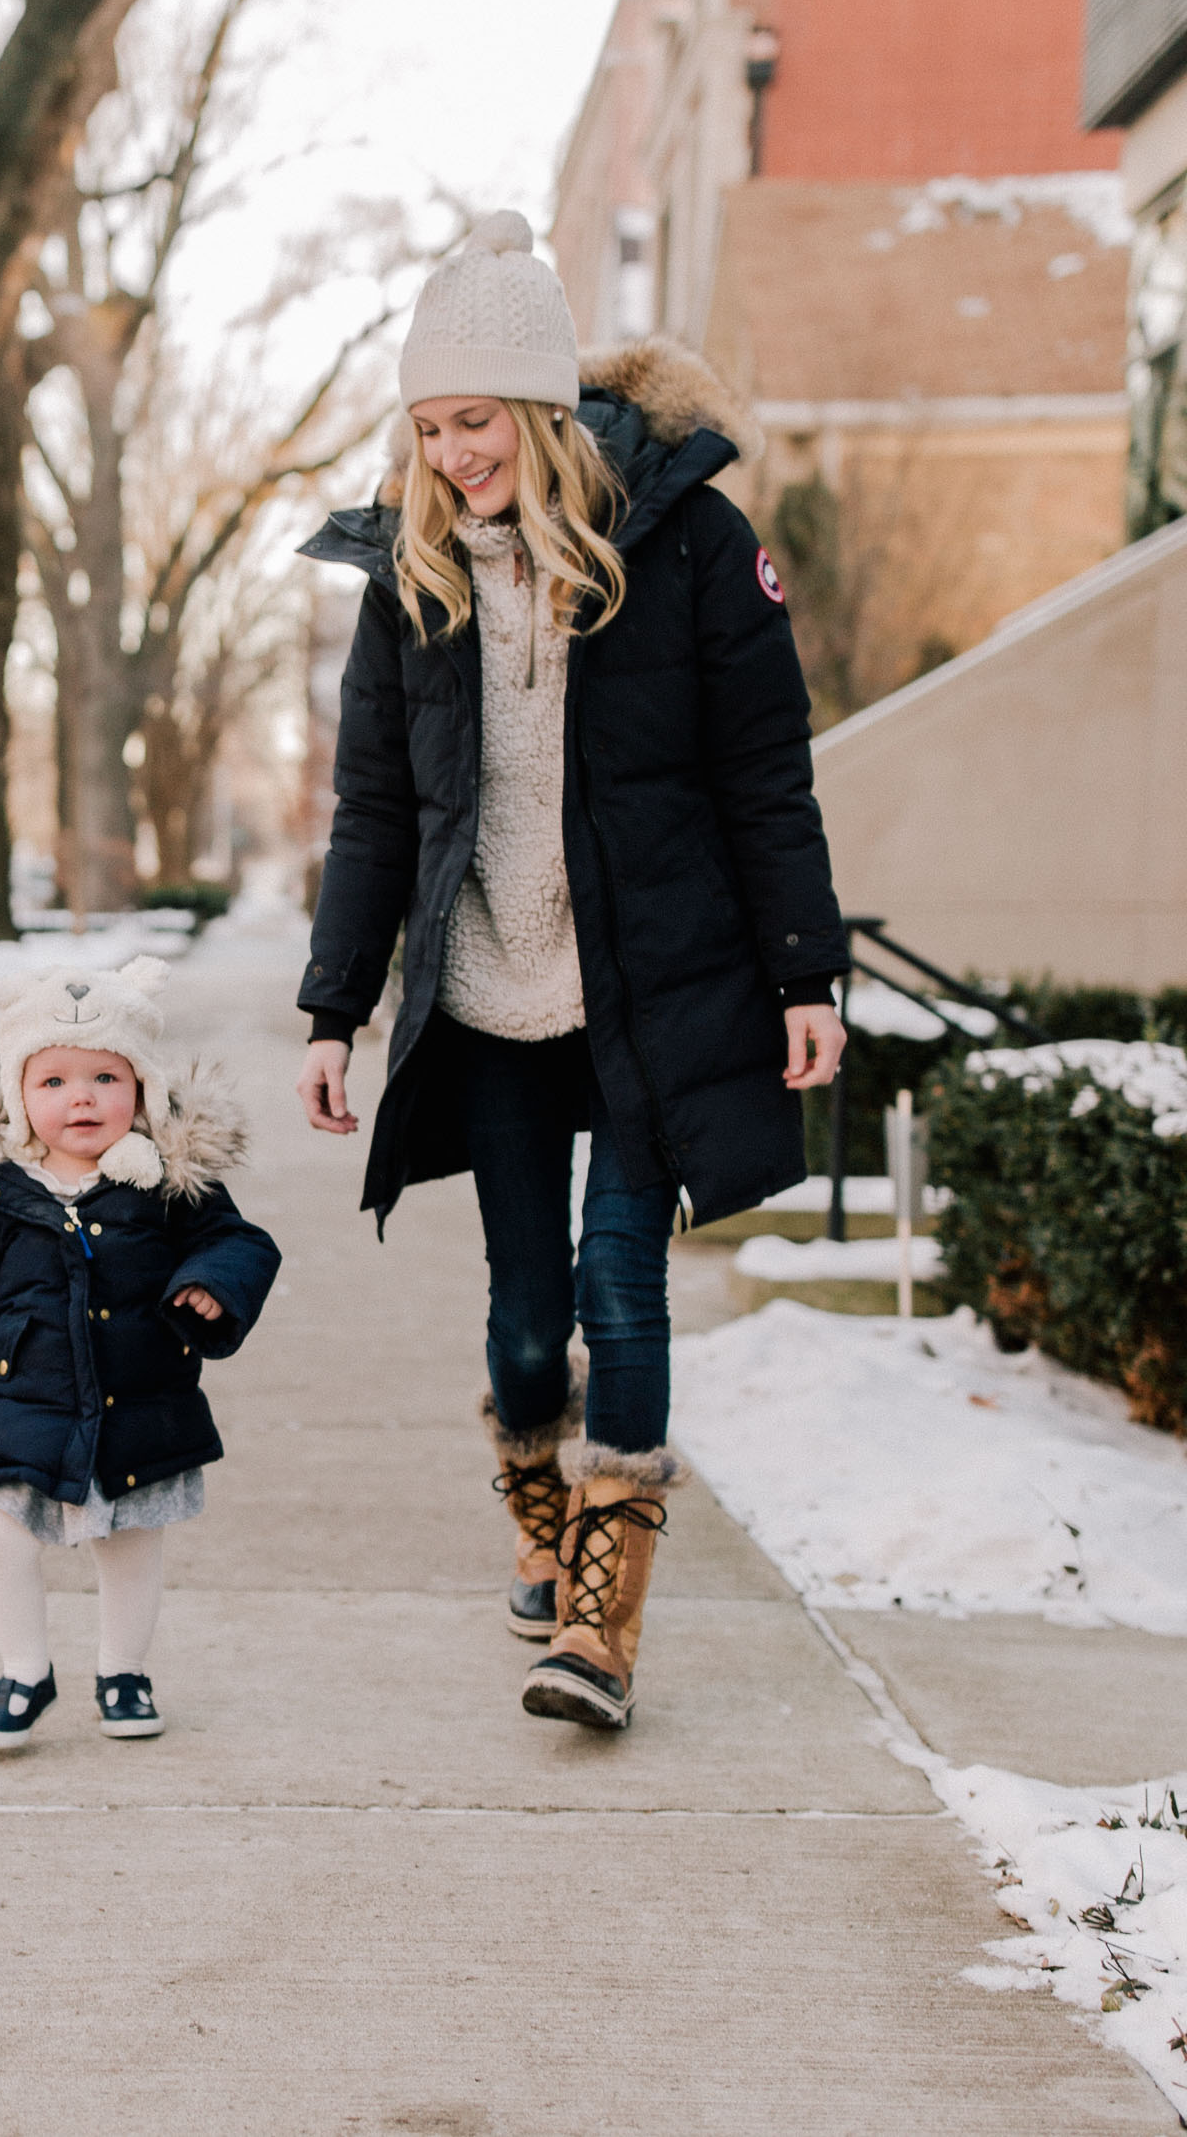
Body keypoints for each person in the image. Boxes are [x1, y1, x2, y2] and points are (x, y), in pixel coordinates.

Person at [294, 212, 847, 1734]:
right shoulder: (408, 577)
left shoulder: (690, 542)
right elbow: (377, 809)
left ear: (541, 411)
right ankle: (542, 1513)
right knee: (529, 1314)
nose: (451, 454)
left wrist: (808, 971)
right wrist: (335, 1004)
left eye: (473, 421)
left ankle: (602, 1626)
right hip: (487, 991)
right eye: (426, 427)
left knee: (625, 1285)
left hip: (647, 990)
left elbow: (764, 774)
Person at [0, 955, 279, 1750]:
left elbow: (240, 1243)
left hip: (139, 1405)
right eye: (53, 1081)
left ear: (143, 1090)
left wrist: (209, 1281)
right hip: (19, 1407)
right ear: (19, 1095)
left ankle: (123, 1670)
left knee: (130, 1543)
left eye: (104, 1078)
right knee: (1, 1534)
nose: (81, 1098)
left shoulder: (166, 1181)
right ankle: (23, 1670)